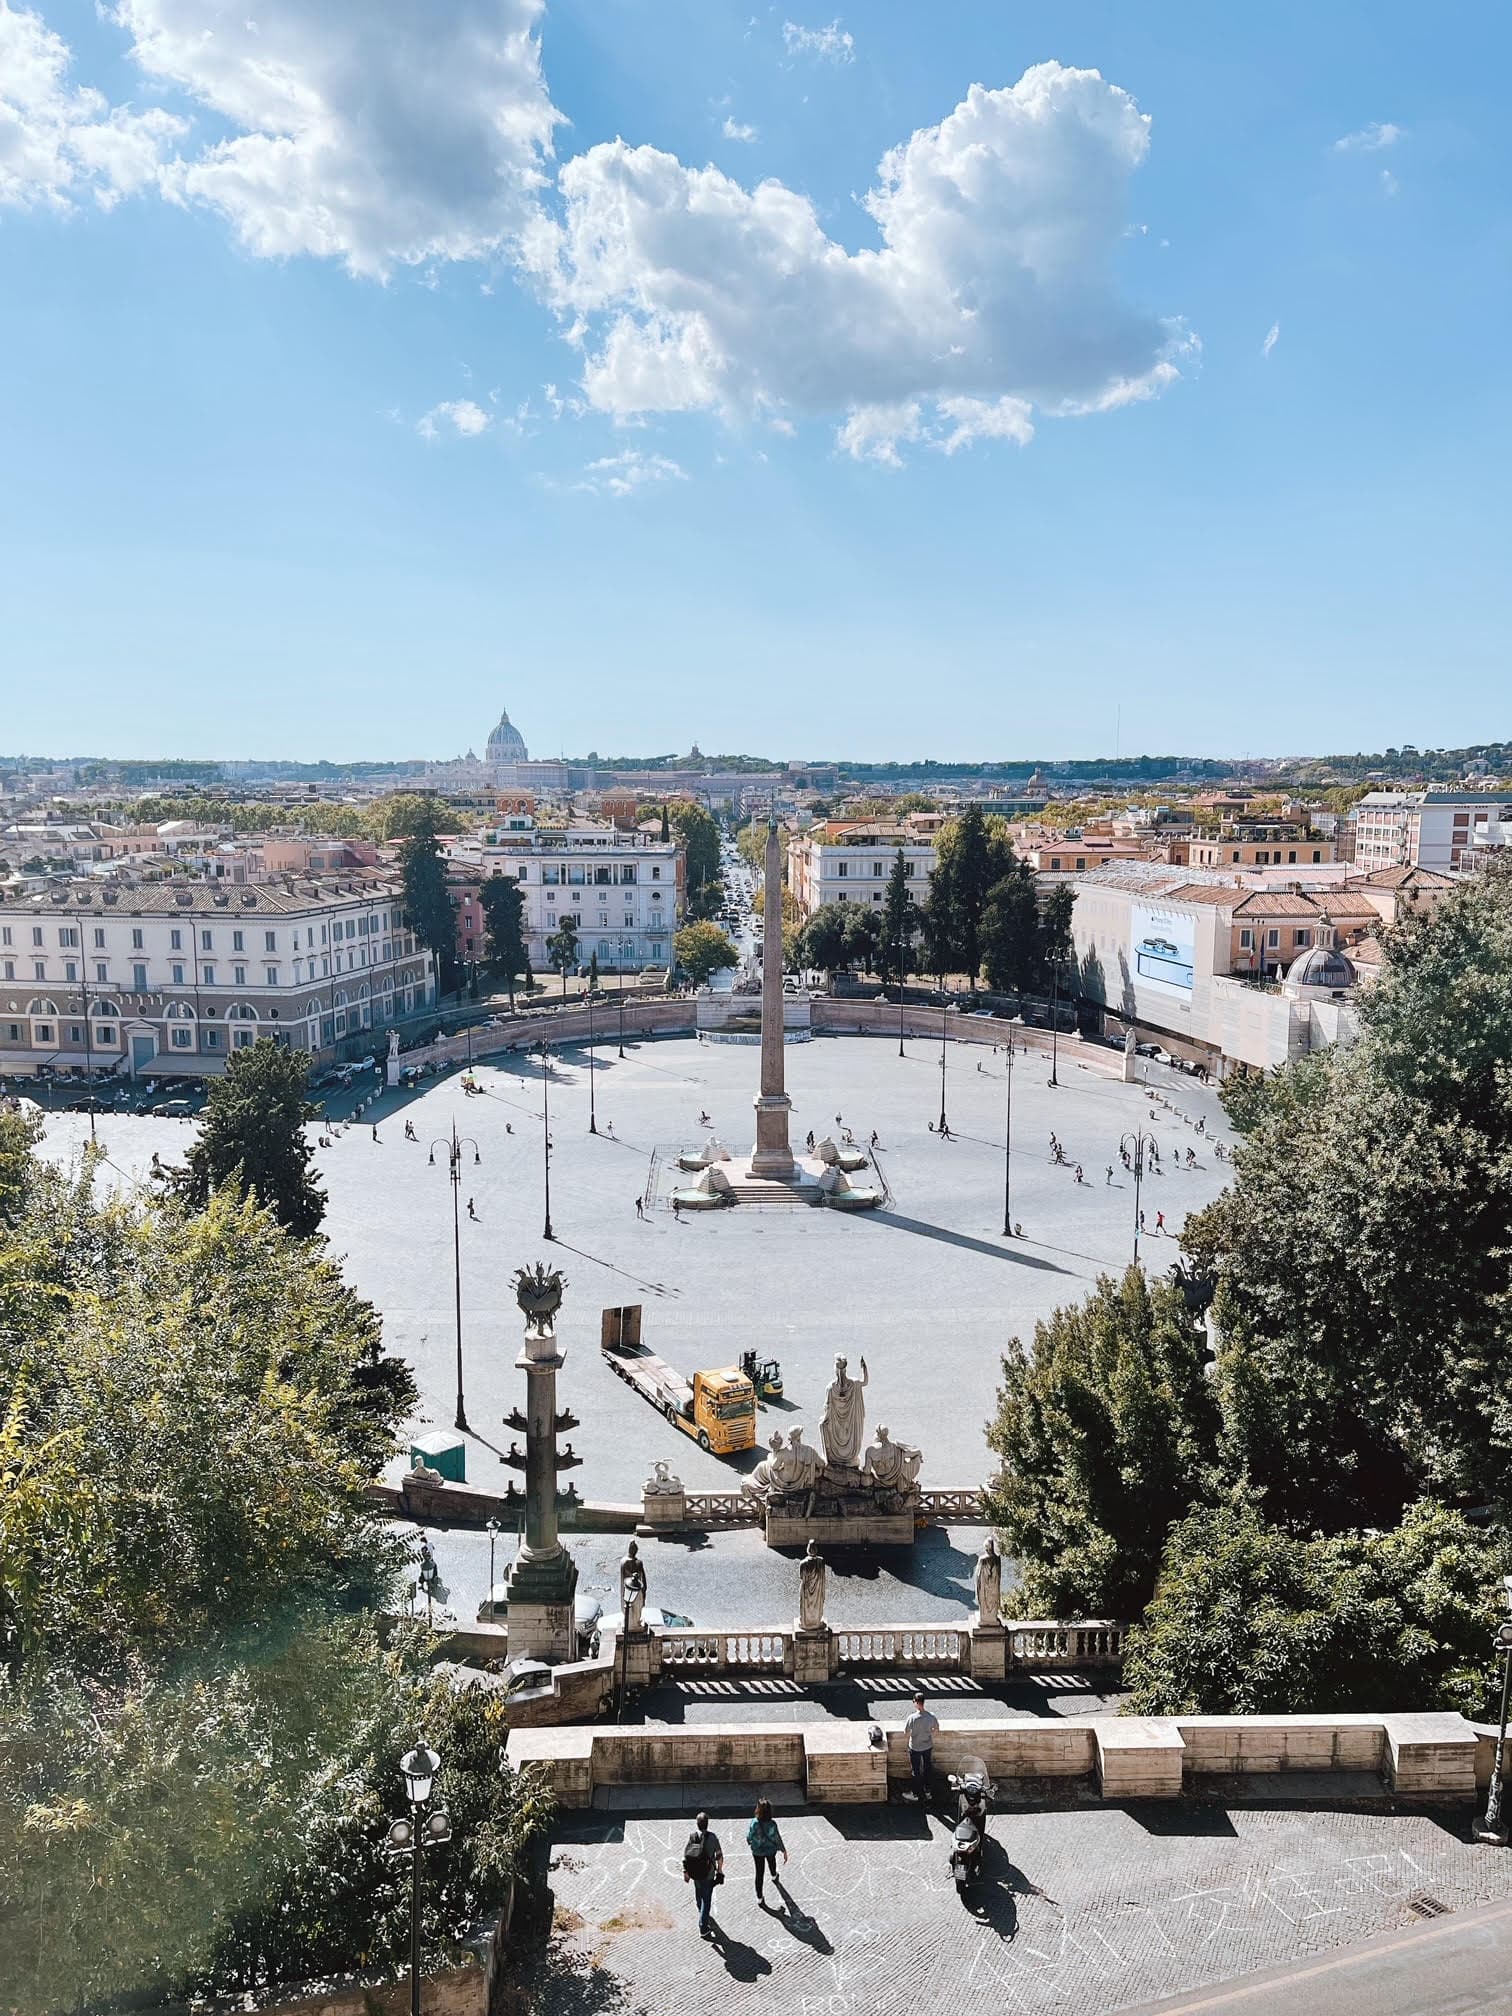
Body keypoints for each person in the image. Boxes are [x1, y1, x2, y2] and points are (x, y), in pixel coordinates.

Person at [683, 1812, 724, 1937]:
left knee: (698, 1891)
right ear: (707, 1824)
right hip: (708, 1873)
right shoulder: (712, 1837)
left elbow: (686, 1856)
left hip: (695, 1873)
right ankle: (703, 1927)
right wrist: (720, 1870)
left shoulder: (692, 1837)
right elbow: (719, 1856)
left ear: (697, 1824)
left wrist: (686, 1872)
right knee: (707, 1900)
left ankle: (700, 1908)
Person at [747, 1798, 787, 1904]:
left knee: (759, 1873)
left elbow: (749, 1835)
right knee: (772, 1862)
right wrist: (783, 1850)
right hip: (770, 1849)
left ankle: (759, 1897)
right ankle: (774, 1875)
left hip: (757, 1851)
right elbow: (777, 1837)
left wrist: (749, 1841)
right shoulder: (772, 1824)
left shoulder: (755, 1823)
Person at [904, 1691, 939, 1803]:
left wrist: (915, 1734)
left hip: (915, 1747)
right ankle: (928, 1791)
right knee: (927, 1768)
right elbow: (936, 1731)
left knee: (916, 1771)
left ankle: (915, 1793)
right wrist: (928, 1734)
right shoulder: (931, 1716)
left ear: (916, 1702)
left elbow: (906, 1732)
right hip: (927, 1746)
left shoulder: (911, 1718)